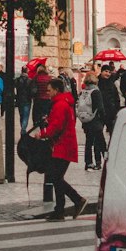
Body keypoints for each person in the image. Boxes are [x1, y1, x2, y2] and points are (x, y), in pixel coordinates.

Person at [40, 75, 86, 222]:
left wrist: (42, 134)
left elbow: (57, 126)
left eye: (49, 90)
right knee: (56, 177)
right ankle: (59, 210)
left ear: (56, 90)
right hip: (64, 144)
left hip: (62, 145)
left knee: (54, 176)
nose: (47, 93)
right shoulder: (62, 103)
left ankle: (77, 200)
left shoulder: (60, 104)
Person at [76, 73, 106, 171]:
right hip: (95, 120)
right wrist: (103, 119)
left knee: (88, 142)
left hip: (86, 121)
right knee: (99, 142)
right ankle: (99, 162)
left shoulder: (83, 92)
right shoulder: (96, 92)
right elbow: (100, 107)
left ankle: (88, 163)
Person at [98, 64, 121, 136]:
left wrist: (116, 109)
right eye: (106, 71)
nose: (108, 74)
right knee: (98, 133)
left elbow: (116, 97)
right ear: (101, 72)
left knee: (112, 132)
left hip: (110, 111)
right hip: (99, 112)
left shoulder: (111, 83)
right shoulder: (96, 82)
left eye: (109, 72)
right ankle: (100, 147)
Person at [15, 66, 33, 133]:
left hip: (19, 100)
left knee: (21, 115)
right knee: (26, 116)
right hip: (27, 100)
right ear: (27, 71)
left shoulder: (17, 80)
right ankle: (23, 129)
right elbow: (32, 91)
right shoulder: (30, 80)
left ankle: (23, 128)